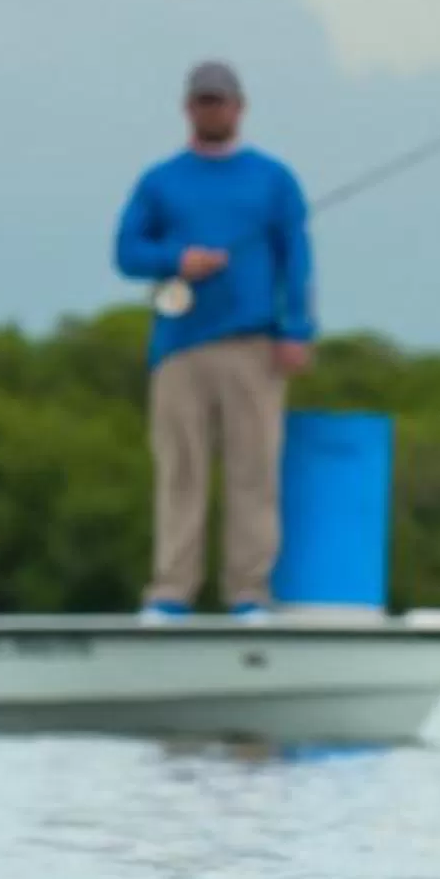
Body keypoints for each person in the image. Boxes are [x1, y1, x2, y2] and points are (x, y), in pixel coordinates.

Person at [111, 59, 316, 619]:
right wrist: (179, 258)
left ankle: (248, 592)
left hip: (254, 346)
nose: (212, 109)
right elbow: (126, 251)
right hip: (179, 346)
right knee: (181, 472)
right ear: (187, 108)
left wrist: (296, 329)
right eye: (203, 101)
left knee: (254, 471)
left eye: (220, 101)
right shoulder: (160, 181)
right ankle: (171, 592)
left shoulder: (274, 180)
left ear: (239, 107)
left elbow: (296, 259)